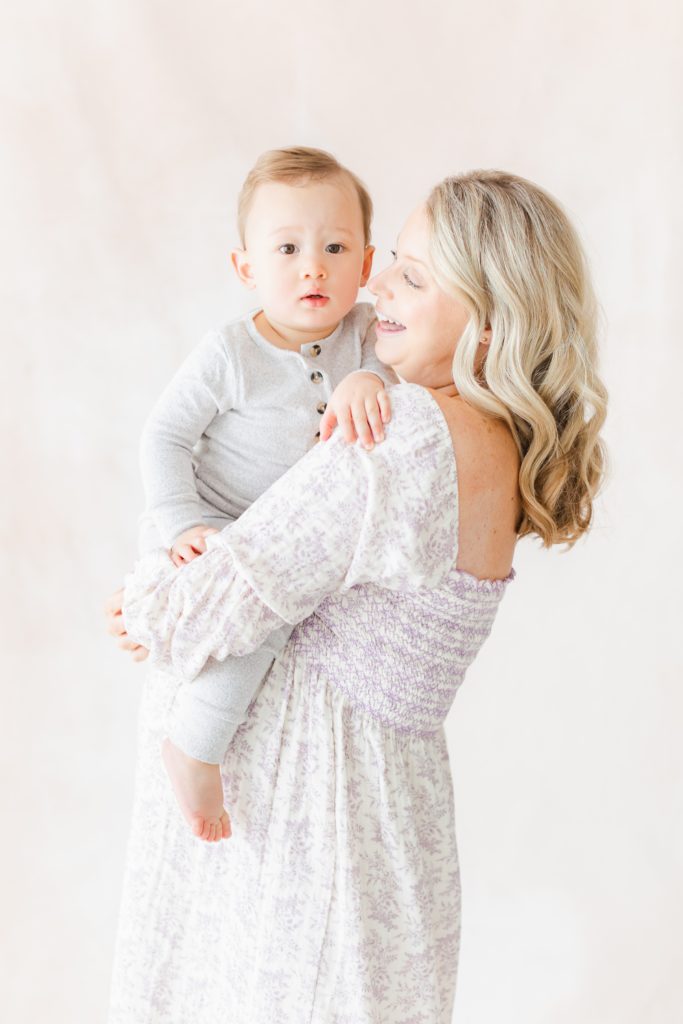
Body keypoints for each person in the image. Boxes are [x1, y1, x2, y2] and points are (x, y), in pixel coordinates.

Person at [107, 170, 607, 1024]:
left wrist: (148, 594)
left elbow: (195, 610)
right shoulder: (492, 447)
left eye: (410, 274)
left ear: (487, 321)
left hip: (306, 839)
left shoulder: (406, 438)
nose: (374, 286)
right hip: (390, 832)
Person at [128, 145, 397, 840]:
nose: (313, 266)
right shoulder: (229, 354)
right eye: (286, 248)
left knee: (286, 605)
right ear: (246, 268)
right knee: (255, 630)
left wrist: (371, 379)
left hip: (289, 535)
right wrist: (182, 523)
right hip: (216, 522)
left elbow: (395, 375)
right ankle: (193, 746)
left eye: (336, 246)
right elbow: (162, 438)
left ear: (366, 265)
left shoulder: (365, 333)